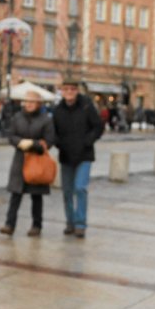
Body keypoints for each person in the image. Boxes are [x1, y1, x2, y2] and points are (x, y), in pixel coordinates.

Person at [51, 80, 104, 238]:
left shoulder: (86, 106)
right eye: (66, 89)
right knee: (67, 191)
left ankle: (80, 223)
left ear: (77, 91)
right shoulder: (58, 110)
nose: (69, 92)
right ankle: (70, 222)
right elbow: (53, 131)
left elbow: (98, 127)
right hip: (66, 155)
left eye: (72, 89)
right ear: (61, 91)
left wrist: (88, 141)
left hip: (84, 155)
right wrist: (58, 143)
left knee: (80, 188)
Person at [0, 93, 57, 236]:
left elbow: (49, 141)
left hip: (37, 161)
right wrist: (19, 142)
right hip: (20, 159)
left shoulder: (46, 120)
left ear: (39, 104)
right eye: (26, 101)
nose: (29, 104)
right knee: (15, 195)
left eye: (32, 102)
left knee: (36, 196)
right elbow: (11, 135)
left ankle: (36, 226)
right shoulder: (17, 117)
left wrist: (34, 144)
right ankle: (9, 224)